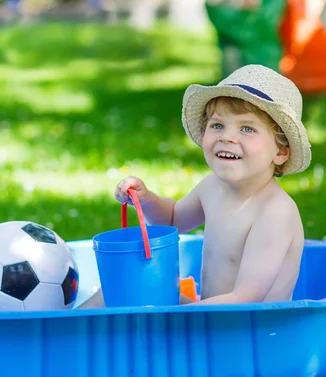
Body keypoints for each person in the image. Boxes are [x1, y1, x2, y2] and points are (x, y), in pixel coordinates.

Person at [79, 64, 312, 308]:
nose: (227, 137)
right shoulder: (212, 187)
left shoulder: (275, 211)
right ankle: (58, 329)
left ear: (282, 152)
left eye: (247, 128)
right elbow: (170, 221)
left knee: (131, 296)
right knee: (121, 288)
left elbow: (247, 299)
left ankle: (63, 336)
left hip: (251, 331)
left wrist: (173, 313)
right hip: (210, 317)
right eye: (218, 125)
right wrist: (145, 198)